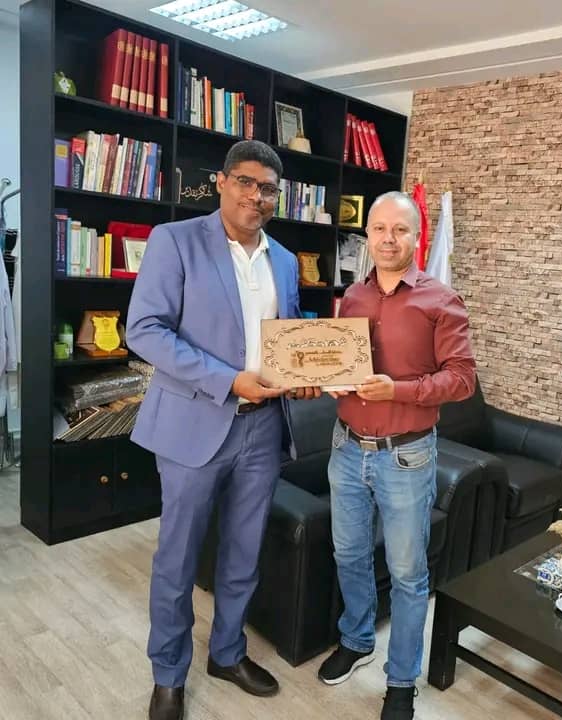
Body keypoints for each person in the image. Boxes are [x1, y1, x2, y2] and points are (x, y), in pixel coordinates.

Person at [126, 140, 319, 720]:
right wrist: (228, 380)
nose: (256, 196)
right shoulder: (175, 241)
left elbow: (286, 337)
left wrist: (303, 374)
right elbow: (145, 330)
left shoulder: (285, 261)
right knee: (178, 559)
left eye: (268, 189)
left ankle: (227, 653)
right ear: (222, 182)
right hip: (194, 424)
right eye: (245, 182)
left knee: (243, 550)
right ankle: (168, 675)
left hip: (263, 430)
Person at [317, 191, 476, 720]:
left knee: (407, 573)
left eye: (399, 230)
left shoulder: (441, 300)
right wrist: (325, 377)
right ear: (367, 235)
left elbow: (462, 380)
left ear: (416, 236)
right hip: (346, 448)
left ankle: (402, 679)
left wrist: (399, 390)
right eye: (379, 229)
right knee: (348, 554)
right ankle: (357, 639)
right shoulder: (353, 296)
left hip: (406, 457)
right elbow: (341, 363)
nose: (388, 239)